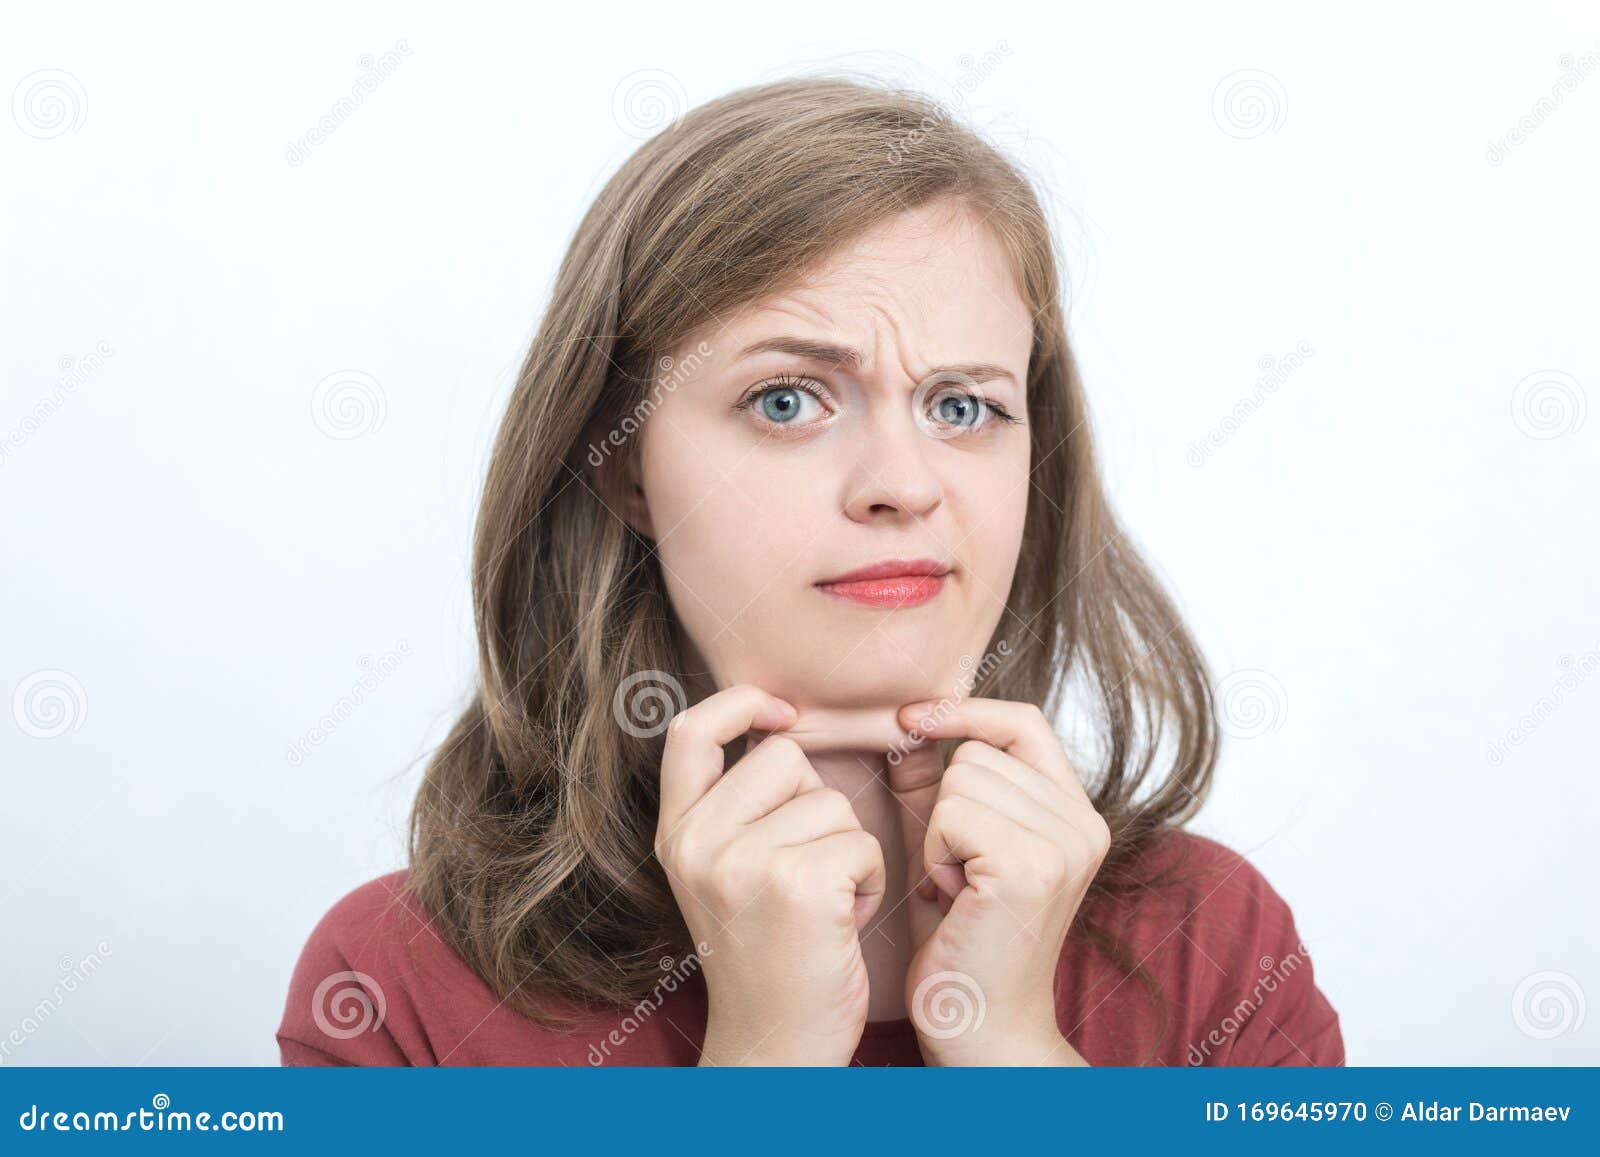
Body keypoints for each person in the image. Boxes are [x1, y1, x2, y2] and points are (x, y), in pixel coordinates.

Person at [277, 74, 1344, 1067]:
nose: (901, 484)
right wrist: (765, 1057)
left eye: (962, 406)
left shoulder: (1218, 945)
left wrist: (1012, 1045)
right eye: (787, 400)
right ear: (622, 465)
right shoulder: (398, 987)